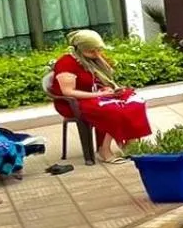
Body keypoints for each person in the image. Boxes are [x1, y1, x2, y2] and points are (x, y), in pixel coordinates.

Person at [47, 30, 152, 162]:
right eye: (92, 51)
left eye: (98, 50)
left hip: (97, 95)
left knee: (135, 102)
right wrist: (98, 94)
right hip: (74, 103)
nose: (97, 54)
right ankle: (104, 148)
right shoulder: (66, 63)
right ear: (80, 49)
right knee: (114, 110)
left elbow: (103, 78)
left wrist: (108, 88)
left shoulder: (94, 58)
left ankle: (130, 144)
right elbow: (68, 92)